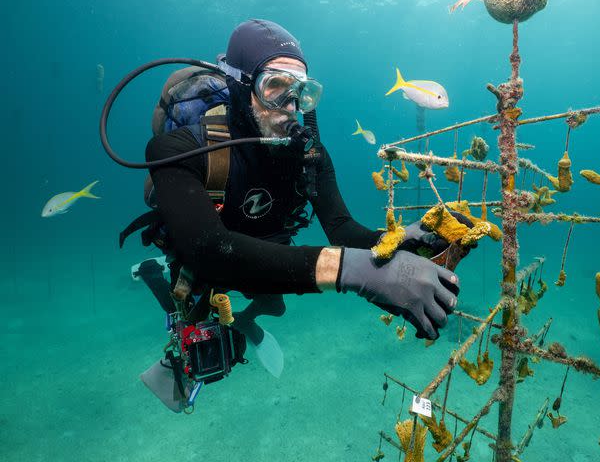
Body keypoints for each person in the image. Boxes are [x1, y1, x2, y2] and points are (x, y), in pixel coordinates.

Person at [137, 19, 462, 357]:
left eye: (301, 91)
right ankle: (154, 276)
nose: (290, 104)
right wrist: (355, 271)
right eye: (274, 85)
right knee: (192, 315)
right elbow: (211, 253)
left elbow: (342, 229)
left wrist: (402, 240)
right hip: (204, 256)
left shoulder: (308, 155)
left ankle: (246, 321)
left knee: (274, 306)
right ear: (239, 84)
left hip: (267, 254)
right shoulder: (178, 150)